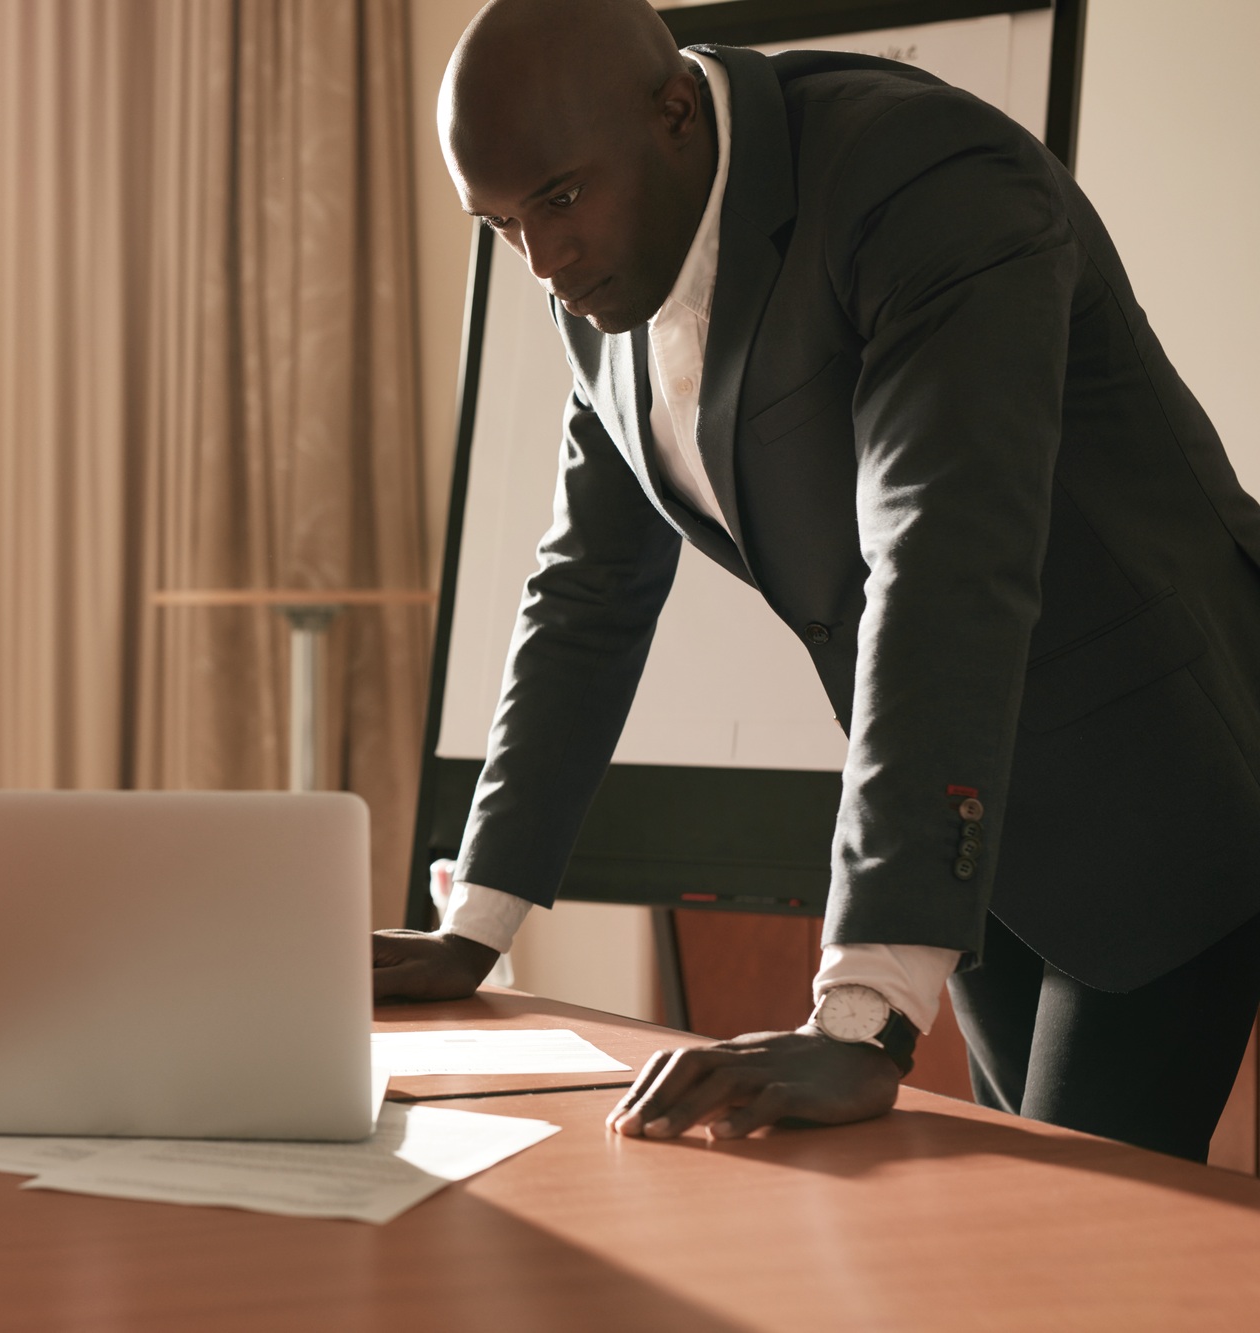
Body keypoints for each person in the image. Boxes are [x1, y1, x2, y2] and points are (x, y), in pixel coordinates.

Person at [372, 0, 1260, 1162]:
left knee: (1085, 1242)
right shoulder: (596, 264)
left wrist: (858, 1018)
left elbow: (940, 553)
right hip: (972, 817)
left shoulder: (926, 181)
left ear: (675, 112)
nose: (541, 258)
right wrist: (473, 924)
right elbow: (583, 592)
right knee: (1016, 1220)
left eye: (556, 199)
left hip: (1154, 770)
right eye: (497, 223)